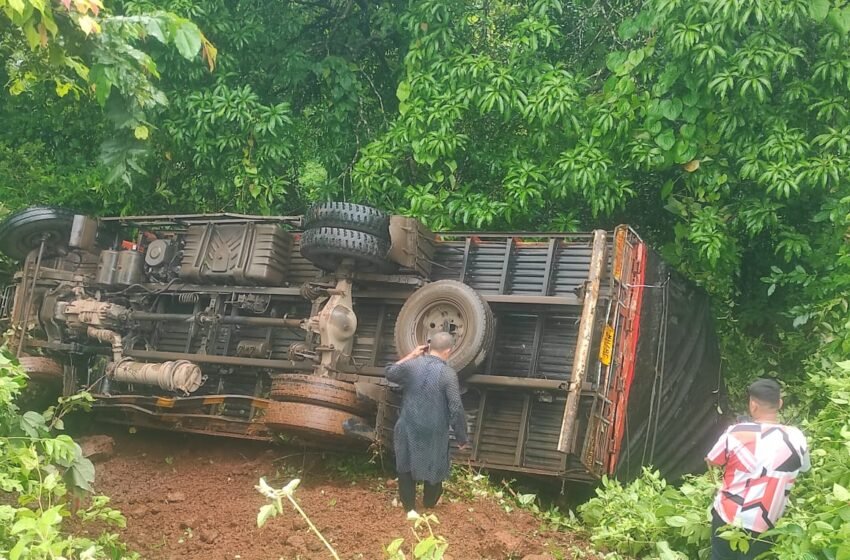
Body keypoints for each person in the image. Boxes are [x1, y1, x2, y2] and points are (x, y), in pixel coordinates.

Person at [705, 378, 810, 560]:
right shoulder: (797, 437)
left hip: (728, 517)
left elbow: (712, 460)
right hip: (766, 525)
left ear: (753, 405)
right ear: (780, 403)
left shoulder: (736, 432)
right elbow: (805, 468)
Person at [385, 331, 469, 517]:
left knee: (406, 465)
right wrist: (461, 437)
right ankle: (429, 503)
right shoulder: (448, 374)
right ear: (448, 351)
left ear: (429, 347)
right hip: (434, 430)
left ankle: (410, 509)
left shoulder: (412, 366)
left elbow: (390, 372)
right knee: (436, 464)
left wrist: (411, 355)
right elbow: (456, 407)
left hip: (408, 425)